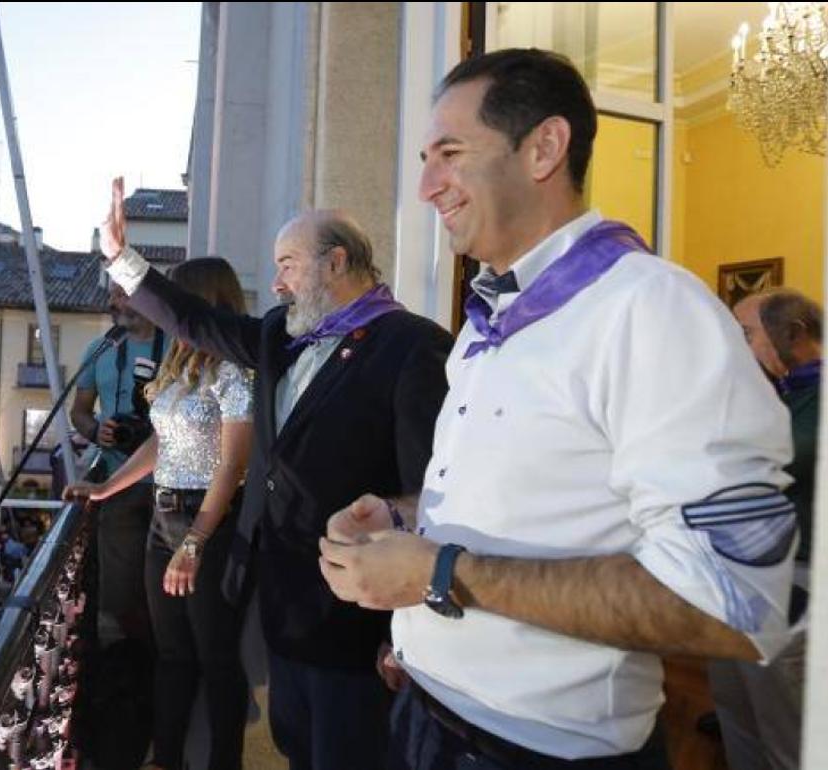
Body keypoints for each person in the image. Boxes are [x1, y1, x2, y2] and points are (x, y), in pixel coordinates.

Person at [318, 48, 798, 770]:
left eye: (449, 153)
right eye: (425, 157)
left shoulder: (653, 311)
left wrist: (440, 574)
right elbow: (533, 503)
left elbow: (735, 601)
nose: (425, 186)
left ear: (544, 147)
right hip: (425, 714)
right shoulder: (486, 325)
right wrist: (403, 521)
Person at [99, 182, 452, 770]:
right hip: (284, 612)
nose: (279, 282)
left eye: (288, 264)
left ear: (335, 262)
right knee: (298, 752)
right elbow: (196, 319)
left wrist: (405, 631)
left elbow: (429, 496)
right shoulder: (278, 338)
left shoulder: (414, 348)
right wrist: (122, 260)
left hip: (355, 627)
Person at [65, 258, 255, 770]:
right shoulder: (179, 362)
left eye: (174, 297)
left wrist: (194, 542)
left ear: (203, 301)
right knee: (172, 653)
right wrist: (106, 487)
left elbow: (234, 463)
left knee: (215, 657)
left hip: (208, 522)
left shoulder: (234, 371)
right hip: (162, 517)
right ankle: (166, 758)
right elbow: (160, 443)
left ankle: (224, 762)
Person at [709, 288, 820, 770]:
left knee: (784, 731)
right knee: (737, 711)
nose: (736, 345)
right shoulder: (782, 393)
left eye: (747, 333)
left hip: (792, 581)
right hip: (735, 577)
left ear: (792, 334)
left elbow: (757, 464)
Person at [70, 283, 167, 645]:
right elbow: (78, 413)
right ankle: (121, 669)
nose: (113, 302)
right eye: (112, 295)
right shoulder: (99, 350)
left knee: (163, 592)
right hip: (117, 483)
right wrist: (97, 432)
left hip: (170, 486)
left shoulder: (176, 347)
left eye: (122, 294)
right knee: (119, 592)